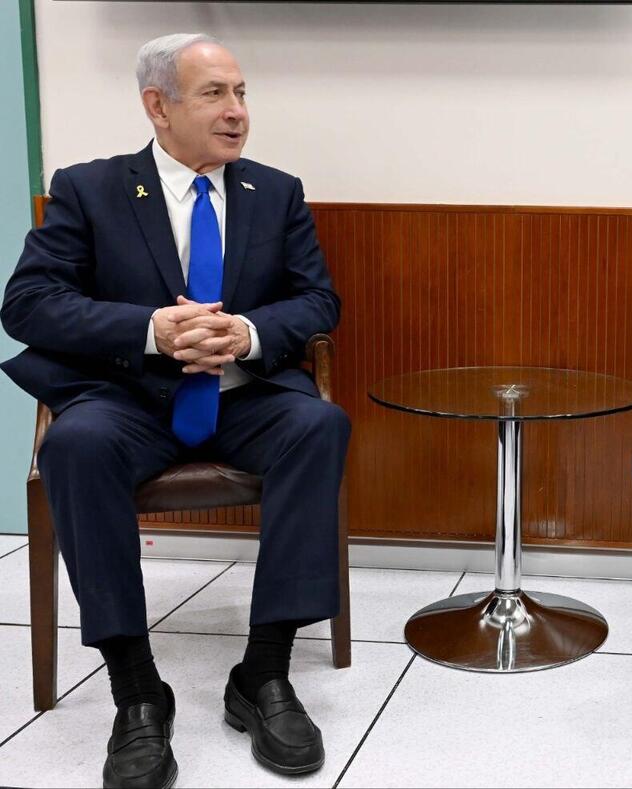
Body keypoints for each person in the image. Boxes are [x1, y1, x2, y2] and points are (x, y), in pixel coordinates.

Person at [1, 33, 350, 788]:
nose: (236, 112)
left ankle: (263, 674)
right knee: (75, 445)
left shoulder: (275, 190)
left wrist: (248, 333)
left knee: (319, 424)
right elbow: (26, 303)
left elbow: (319, 300)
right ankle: (136, 692)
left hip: (244, 395)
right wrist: (150, 330)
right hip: (129, 399)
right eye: (214, 94)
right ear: (158, 106)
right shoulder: (90, 189)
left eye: (242, 93)